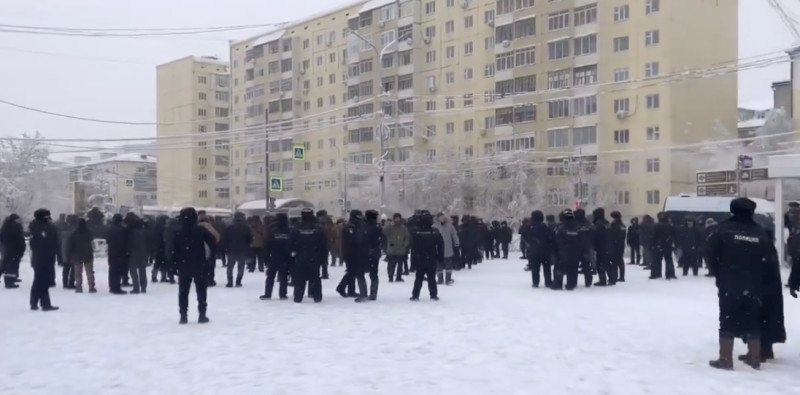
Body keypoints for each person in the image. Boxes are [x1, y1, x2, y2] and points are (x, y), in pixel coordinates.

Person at [706, 198, 779, 370]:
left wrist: (719, 273)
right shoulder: (760, 232)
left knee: (727, 318)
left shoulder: (722, 230)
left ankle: (725, 358)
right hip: (754, 284)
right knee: (753, 318)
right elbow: (770, 260)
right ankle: (754, 357)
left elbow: (709, 253)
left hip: (729, 282)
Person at [171, 207, 216, 324]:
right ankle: (202, 314)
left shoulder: (178, 232)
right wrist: (210, 258)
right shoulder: (200, 230)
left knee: (183, 292)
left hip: (184, 265)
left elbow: (174, 250)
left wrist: (174, 265)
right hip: (199, 263)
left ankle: (183, 315)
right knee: (201, 291)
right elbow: (213, 241)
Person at [290, 208, 327, 303]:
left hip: (301, 255)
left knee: (300, 277)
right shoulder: (318, 227)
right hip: (314, 255)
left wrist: (293, 254)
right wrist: (323, 257)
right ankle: (317, 296)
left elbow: (291, 242)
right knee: (315, 276)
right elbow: (323, 244)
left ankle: (298, 296)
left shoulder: (297, 227)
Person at [28, 209, 59, 311]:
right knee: (42, 282)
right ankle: (45, 304)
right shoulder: (41, 227)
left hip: (41, 258)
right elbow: (46, 242)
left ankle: (34, 302)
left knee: (38, 281)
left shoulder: (37, 226)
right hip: (43, 258)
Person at [410, 212, 444, 301]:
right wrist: (440, 257)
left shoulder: (416, 232)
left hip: (419, 257)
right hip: (431, 257)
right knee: (431, 277)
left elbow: (413, 248)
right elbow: (441, 245)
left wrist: (413, 261)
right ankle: (433, 294)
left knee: (418, 277)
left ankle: (415, 294)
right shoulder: (434, 232)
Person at [336, 210, 368, 300]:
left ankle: (351, 290)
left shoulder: (354, 225)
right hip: (350, 252)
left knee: (352, 272)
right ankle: (341, 287)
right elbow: (354, 240)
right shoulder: (350, 226)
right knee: (352, 271)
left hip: (353, 252)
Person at [261, 213, 291, 300]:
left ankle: (267, 293)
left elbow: (267, 243)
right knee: (284, 276)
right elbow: (292, 243)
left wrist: (266, 257)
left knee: (270, 276)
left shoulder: (271, 228)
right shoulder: (289, 229)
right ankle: (283, 294)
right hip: (285, 256)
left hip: (274, 255)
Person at [524, 211, 556, 288]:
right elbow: (550, 237)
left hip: (534, 250)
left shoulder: (529, 226)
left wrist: (530, 244)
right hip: (545, 250)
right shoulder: (544, 226)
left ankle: (535, 282)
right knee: (546, 267)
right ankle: (548, 282)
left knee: (535, 267)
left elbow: (525, 237)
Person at [553, 209, 583, 291]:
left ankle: (557, 284)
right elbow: (581, 240)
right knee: (572, 268)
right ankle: (571, 284)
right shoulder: (577, 227)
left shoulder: (559, 227)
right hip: (575, 252)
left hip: (562, 251)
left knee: (559, 268)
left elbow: (556, 239)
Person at [222, 212, 252, 288]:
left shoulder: (229, 227)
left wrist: (225, 247)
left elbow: (225, 238)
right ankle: (238, 281)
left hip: (231, 249)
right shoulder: (246, 227)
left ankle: (230, 282)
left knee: (230, 266)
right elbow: (249, 238)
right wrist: (247, 246)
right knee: (241, 266)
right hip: (242, 249)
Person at [66, 219, 96, 293]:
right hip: (88, 254)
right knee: (89, 272)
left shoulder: (74, 233)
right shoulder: (88, 232)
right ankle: (91, 286)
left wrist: (69, 254)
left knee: (78, 272)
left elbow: (70, 245)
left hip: (77, 255)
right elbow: (91, 241)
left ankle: (79, 287)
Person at [125, 213, 150, 294]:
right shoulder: (145, 230)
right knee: (142, 270)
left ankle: (136, 287)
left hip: (133, 252)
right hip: (143, 252)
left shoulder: (129, 231)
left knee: (133, 270)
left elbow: (127, 242)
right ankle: (143, 287)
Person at [433, 213, 460, 286]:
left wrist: (456, 242)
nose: (442, 219)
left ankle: (448, 279)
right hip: (437, 248)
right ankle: (440, 279)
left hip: (448, 247)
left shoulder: (449, 225)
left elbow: (454, 234)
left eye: (443, 217)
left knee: (448, 264)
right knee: (439, 265)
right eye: (440, 217)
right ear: (437, 218)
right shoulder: (434, 226)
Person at [592, 208, 616, 287]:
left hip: (601, 247)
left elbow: (597, 237)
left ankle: (603, 280)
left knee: (600, 264)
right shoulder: (607, 223)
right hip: (609, 246)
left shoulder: (599, 224)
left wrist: (594, 246)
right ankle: (612, 279)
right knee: (607, 263)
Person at [363, 210, 384, 300]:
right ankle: (373, 293)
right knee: (374, 274)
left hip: (364, 251)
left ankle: (363, 292)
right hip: (375, 252)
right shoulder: (377, 227)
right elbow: (382, 238)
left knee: (360, 273)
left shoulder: (363, 226)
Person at [0, 214, 25, 289]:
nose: (19, 221)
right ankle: (9, 282)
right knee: (10, 266)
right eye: (17, 220)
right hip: (11, 250)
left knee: (9, 265)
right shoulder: (11, 228)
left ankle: (12, 278)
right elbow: (16, 239)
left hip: (12, 249)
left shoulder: (12, 227)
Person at [650, 212, 677, 280]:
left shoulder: (656, 226)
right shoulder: (670, 225)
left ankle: (656, 273)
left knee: (657, 260)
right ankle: (670, 273)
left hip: (659, 245)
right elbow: (675, 235)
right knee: (668, 259)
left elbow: (653, 236)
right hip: (667, 245)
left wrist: (652, 244)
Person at [105, 214, 128, 294]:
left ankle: (112, 286)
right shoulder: (120, 230)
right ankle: (116, 287)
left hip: (111, 252)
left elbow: (107, 240)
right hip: (119, 253)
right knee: (117, 271)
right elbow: (122, 242)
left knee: (112, 270)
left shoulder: (110, 228)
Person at [384, 213, 410, 282]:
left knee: (400, 265)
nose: (397, 220)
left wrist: (404, 244)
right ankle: (390, 276)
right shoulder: (390, 227)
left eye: (398, 218)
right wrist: (389, 225)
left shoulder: (403, 228)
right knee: (391, 264)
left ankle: (398, 277)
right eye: (396, 218)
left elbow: (407, 237)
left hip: (400, 249)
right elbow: (385, 232)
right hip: (391, 249)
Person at [574, 209, 594, 287]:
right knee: (586, 265)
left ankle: (573, 281)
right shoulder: (588, 224)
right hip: (586, 247)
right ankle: (588, 281)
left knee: (574, 266)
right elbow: (592, 235)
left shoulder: (574, 224)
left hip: (575, 247)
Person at [608, 211, 627, 282]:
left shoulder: (614, 225)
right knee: (620, 260)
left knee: (615, 261)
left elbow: (612, 234)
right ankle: (621, 276)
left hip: (615, 245)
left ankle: (615, 276)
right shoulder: (622, 225)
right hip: (621, 244)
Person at [151, 215, 169, 283]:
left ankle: (154, 276)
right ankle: (163, 277)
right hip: (163, 246)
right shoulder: (164, 228)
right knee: (163, 262)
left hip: (157, 247)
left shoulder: (155, 227)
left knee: (157, 262)